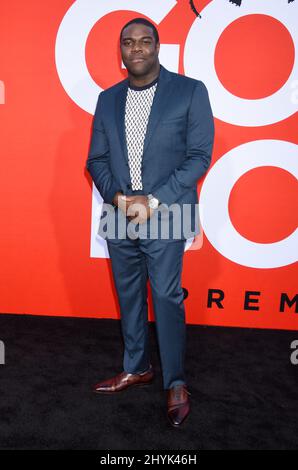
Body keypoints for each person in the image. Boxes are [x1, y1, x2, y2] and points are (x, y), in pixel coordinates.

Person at [86, 17, 214, 427]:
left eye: (145, 41)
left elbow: (199, 156)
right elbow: (96, 160)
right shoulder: (107, 99)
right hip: (119, 214)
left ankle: (175, 381)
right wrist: (121, 199)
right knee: (128, 297)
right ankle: (137, 367)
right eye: (128, 42)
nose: (136, 48)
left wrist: (152, 200)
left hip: (168, 211)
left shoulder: (190, 91)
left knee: (166, 297)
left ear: (158, 47)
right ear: (120, 51)